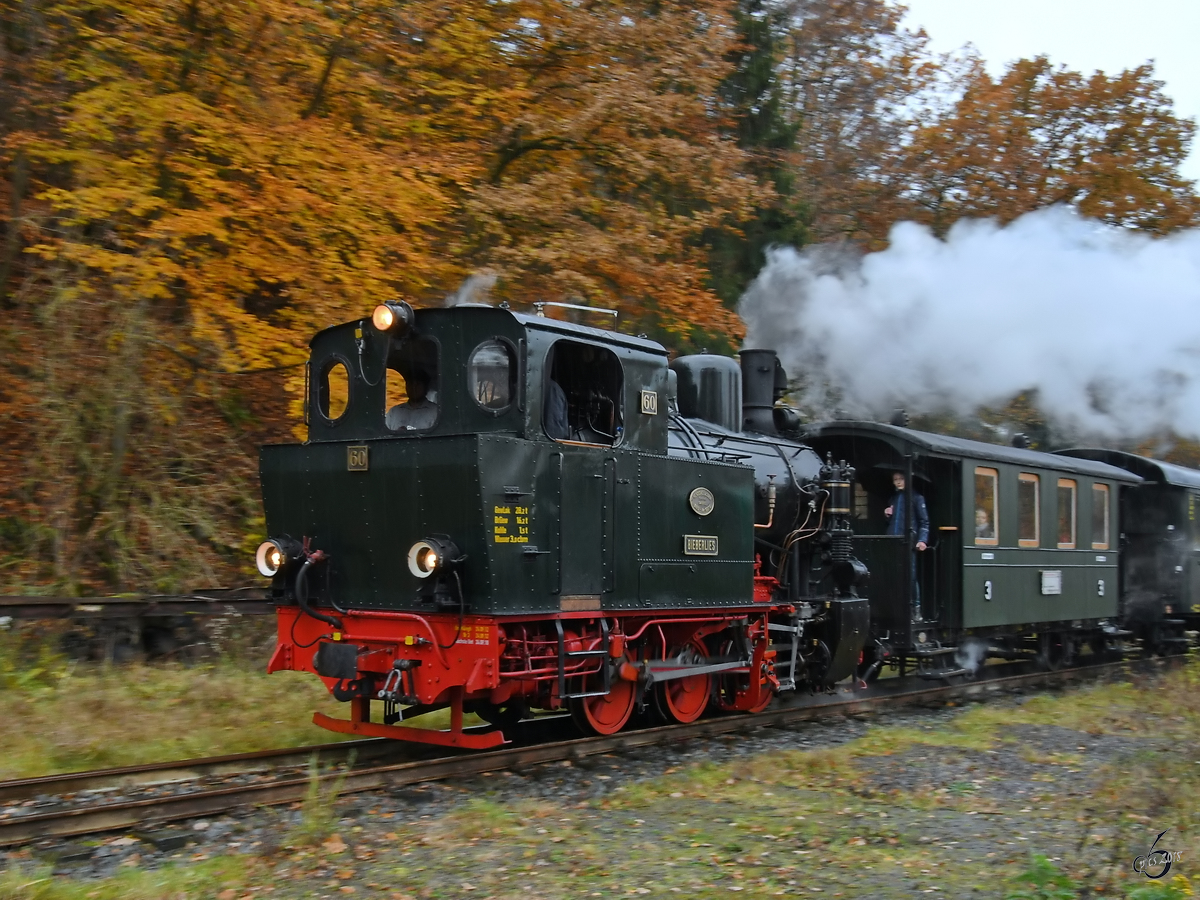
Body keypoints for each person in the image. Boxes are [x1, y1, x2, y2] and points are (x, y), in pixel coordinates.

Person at [884, 471, 929, 622]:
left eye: (901, 479)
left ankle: (915, 609)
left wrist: (922, 540)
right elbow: (891, 522)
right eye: (895, 479)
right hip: (893, 541)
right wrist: (887, 514)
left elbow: (924, 522)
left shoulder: (917, 498)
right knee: (893, 576)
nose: (898, 482)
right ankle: (897, 609)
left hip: (908, 542)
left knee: (910, 576)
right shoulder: (893, 499)